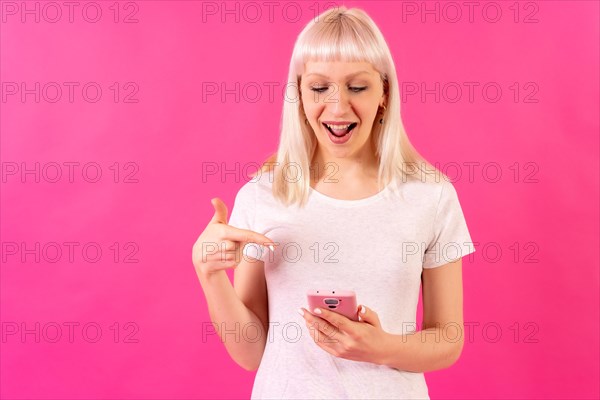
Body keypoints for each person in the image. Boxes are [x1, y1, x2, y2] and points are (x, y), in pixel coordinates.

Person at [192, 6, 476, 399]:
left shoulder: (430, 195)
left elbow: (448, 340)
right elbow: (252, 354)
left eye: (357, 87)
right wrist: (209, 277)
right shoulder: (262, 196)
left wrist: (380, 348)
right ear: (300, 94)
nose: (338, 107)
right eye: (320, 87)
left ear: (384, 93)